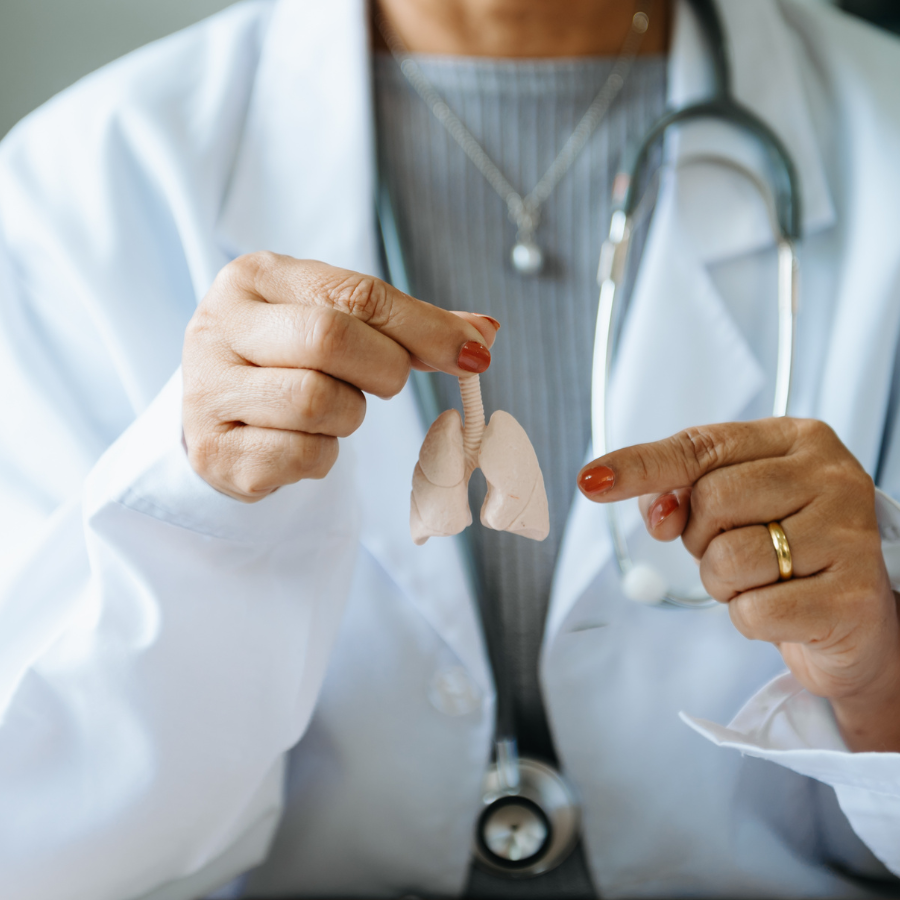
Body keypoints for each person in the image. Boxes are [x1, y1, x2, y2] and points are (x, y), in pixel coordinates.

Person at [2, 0, 900, 897]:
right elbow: (37, 839)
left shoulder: (880, 128)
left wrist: (880, 685)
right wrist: (188, 508)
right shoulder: (74, 193)